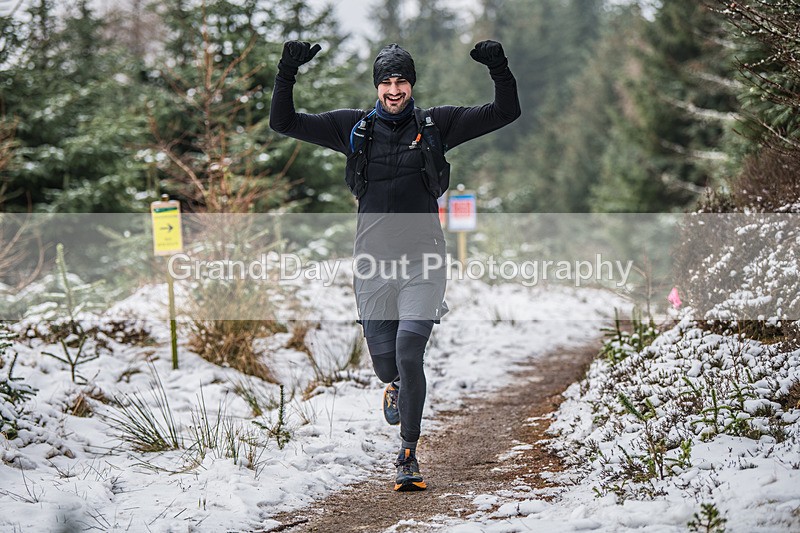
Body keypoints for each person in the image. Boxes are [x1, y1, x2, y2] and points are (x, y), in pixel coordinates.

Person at [270, 39, 520, 491]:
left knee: (409, 352)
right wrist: (287, 71)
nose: (393, 89)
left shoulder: (436, 124)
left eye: (401, 81)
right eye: (386, 81)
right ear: (377, 86)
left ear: (411, 85)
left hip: (424, 261)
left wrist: (498, 67)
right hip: (372, 266)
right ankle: (396, 386)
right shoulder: (352, 127)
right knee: (388, 367)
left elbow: (505, 112)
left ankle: (408, 453)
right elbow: (283, 122)